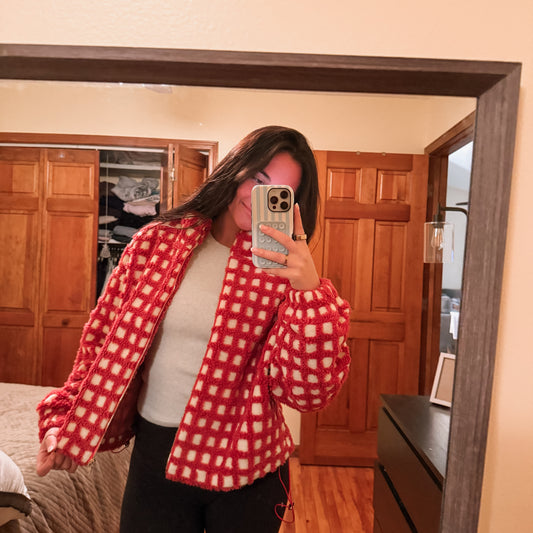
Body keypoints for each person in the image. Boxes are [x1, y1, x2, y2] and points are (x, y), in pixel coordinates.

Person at [36, 125, 351, 533]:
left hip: (247, 467)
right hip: (155, 457)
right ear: (236, 170)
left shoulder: (285, 275)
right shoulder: (157, 244)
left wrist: (309, 293)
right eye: (257, 180)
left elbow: (306, 394)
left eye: (279, 193)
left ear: (292, 206)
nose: (259, 198)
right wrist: (67, 418)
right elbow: (101, 342)